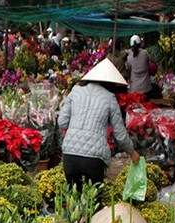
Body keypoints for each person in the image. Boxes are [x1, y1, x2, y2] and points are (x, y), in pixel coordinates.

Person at [59, 58, 140, 191]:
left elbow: (62, 122)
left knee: (73, 201)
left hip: (70, 154)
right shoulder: (110, 98)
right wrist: (132, 152)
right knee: (94, 202)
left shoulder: (75, 91)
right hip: (94, 159)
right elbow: (120, 134)